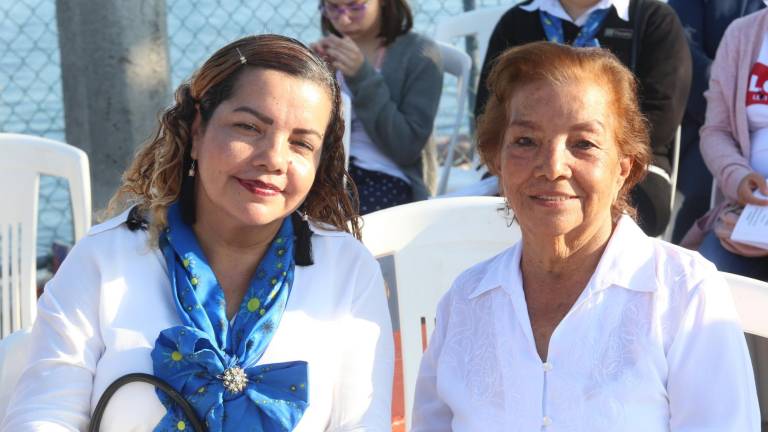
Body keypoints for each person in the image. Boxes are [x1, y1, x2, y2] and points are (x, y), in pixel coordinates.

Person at [2, 34, 394, 431]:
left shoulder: (348, 270)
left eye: (301, 144)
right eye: (249, 127)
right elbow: (45, 417)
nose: (274, 158)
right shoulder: (102, 260)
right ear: (196, 132)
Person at [412, 42, 759, 431]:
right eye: (526, 141)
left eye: (583, 144)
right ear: (498, 161)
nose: (552, 167)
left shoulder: (683, 294)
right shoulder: (465, 301)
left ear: (624, 170)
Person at [475, 0, 691, 237]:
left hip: (632, 166)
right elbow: (489, 113)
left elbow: (661, 117)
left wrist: (594, 150)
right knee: (470, 222)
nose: (554, 169)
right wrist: (522, 150)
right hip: (525, 164)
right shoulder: (516, 20)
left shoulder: (653, 19)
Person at [312, 0, 443, 214]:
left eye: (355, 6)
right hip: (328, 171)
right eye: (333, 8)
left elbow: (406, 147)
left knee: (342, 222)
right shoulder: (329, 51)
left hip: (387, 176)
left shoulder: (420, 53)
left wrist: (362, 76)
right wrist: (315, 80)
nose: (344, 19)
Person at [668, 0, 765, 244]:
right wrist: (727, 82)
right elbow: (682, 49)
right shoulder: (743, 32)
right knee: (702, 191)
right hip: (708, 130)